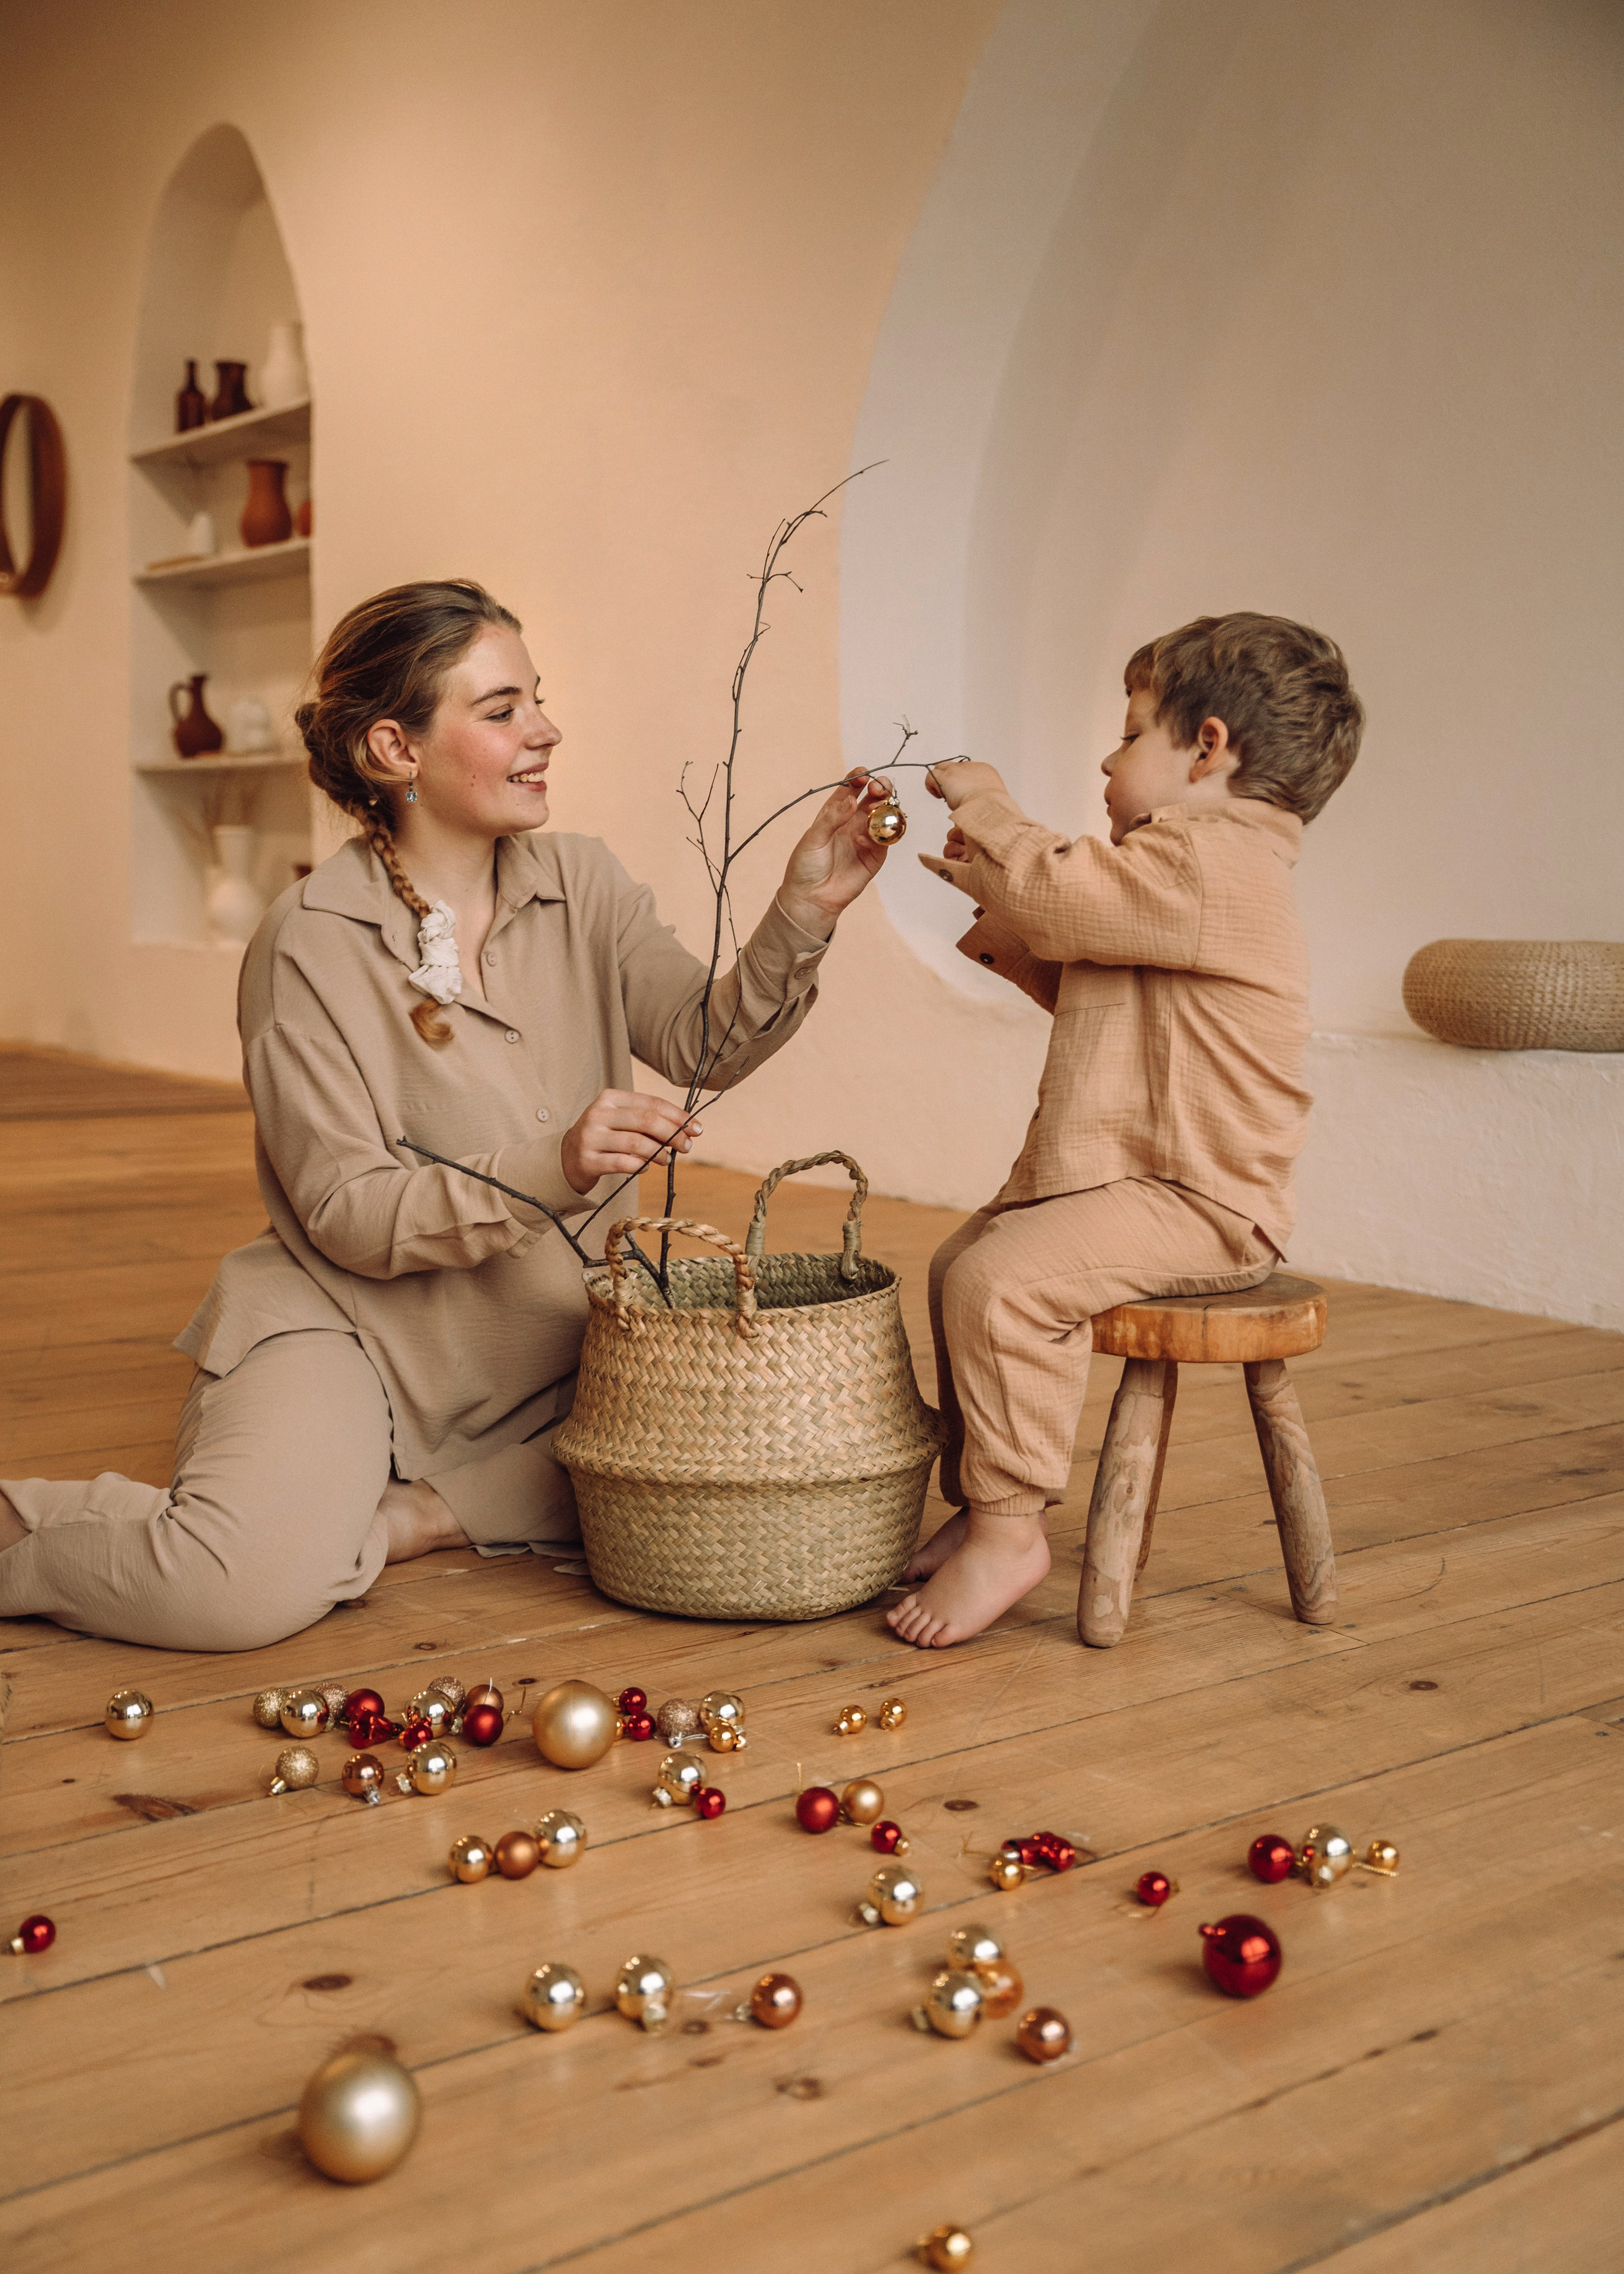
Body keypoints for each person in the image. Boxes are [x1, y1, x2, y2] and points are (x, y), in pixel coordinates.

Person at [0, 579, 891, 1650]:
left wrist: (804, 909)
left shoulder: (585, 882)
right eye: (503, 709)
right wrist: (555, 1163)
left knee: (743, 1456)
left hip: (550, 1357)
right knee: (232, 1590)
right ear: (395, 749)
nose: (545, 731)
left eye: (539, 702)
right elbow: (346, 1212)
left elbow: (705, 1041)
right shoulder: (309, 942)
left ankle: (424, 1512)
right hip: (350, 1328)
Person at [889, 612, 1364, 1648]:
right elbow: (1093, 977)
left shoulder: (1216, 864)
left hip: (1202, 1203)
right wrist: (1003, 906)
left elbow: (1064, 895)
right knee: (962, 1263)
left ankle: (1014, 1535)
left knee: (999, 1284)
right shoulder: (1174, 872)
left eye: (1133, 730)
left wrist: (998, 810)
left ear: (1207, 750)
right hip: (1148, 1184)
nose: (1109, 758)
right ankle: (988, 1502)